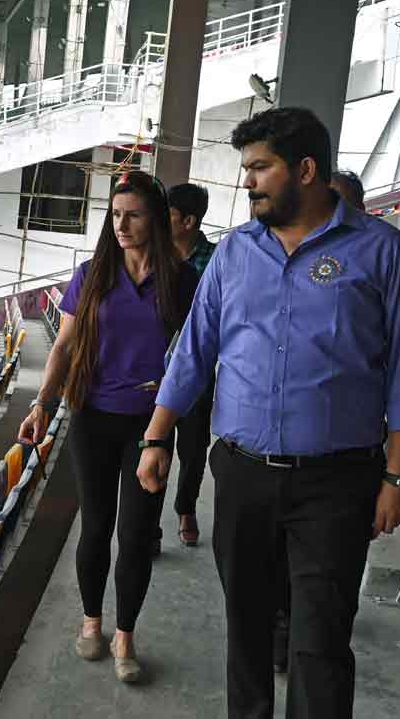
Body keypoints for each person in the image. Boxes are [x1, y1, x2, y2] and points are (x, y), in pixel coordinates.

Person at [136, 107, 400, 718]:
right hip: (243, 473)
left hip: (337, 482)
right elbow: (195, 350)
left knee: (320, 642)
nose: (247, 181)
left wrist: (399, 476)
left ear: (305, 170)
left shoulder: (383, 253)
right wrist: (156, 436)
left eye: (259, 168)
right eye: (246, 168)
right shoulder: (235, 254)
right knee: (246, 632)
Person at [18, 169, 197, 684]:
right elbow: (63, 346)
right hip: (93, 418)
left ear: (156, 220)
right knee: (96, 526)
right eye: (116, 215)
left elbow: (196, 352)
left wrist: (169, 400)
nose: (122, 224)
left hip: (150, 426)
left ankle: (125, 637)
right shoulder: (92, 274)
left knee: (137, 535)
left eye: (134, 215)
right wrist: (43, 404)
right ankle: (91, 623)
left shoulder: (181, 281)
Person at [164, 181, 215, 547]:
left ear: (188, 221)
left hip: (198, 370)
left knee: (193, 449)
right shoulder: (155, 259)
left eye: (168, 216)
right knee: (155, 443)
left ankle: (186, 509)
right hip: (156, 371)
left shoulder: (214, 261)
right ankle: (149, 520)